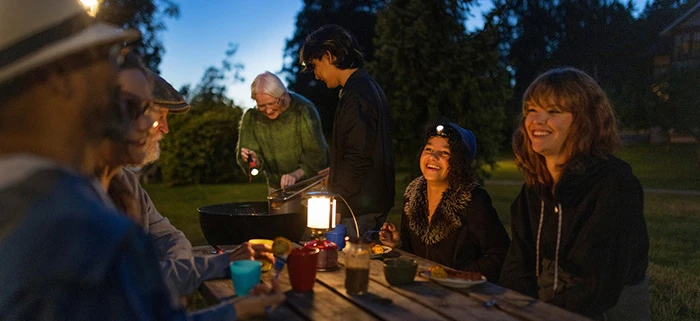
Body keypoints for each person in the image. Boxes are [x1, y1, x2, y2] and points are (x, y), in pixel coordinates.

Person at [0, 1, 283, 319]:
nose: (107, 81)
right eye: (98, 57)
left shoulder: (28, 199)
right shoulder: (80, 228)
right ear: (60, 77)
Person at [96, 53, 276, 304]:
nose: (162, 127)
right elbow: (134, 291)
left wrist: (183, 270)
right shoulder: (79, 202)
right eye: (148, 112)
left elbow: (171, 238)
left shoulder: (126, 183)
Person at [498, 67, 650, 320]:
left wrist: (537, 314)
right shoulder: (534, 188)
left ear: (584, 121)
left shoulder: (614, 185)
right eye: (531, 110)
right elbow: (517, 265)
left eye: (553, 112)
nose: (537, 120)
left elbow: (597, 286)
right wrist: (515, 307)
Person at [378, 123, 510, 282]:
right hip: (420, 289)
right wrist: (398, 243)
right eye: (429, 149)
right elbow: (416, 254)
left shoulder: (473, 200)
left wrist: (455, 277)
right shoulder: (412, 196)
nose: (433, 157)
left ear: (459, 162)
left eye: (444, 152)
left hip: (460, 296)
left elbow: (500, 253)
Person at [300, 24, 395, 238]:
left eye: (315, 66)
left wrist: (336, 200)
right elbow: (363, 146)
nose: (316, 75)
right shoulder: (365, 87)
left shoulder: (358, 95)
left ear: (328, 56)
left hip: (359, 207)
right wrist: (336, 169)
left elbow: (357, 157)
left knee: (346, 263)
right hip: (365, 201)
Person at [236, 71, 328, 190]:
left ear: (283, 95)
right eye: (262, 106)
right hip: (277, 187)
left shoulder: (303, 110)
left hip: (311, 185)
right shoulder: (252, 117)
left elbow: (317, 157)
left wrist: (295, 175)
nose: (268, 111)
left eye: (272, 104)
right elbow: (250, 163)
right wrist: (255, 161)